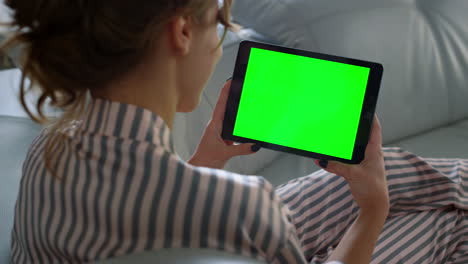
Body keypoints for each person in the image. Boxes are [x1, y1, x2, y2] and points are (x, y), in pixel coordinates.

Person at [2, 0, 467, 263]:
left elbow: (167, 214)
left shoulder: (50, 152)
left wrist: (208, 158)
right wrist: (373, 213)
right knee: (442, 224)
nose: (220, 44)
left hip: (219, 228)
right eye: (222, 23)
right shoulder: (242, 205)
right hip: (244, 232)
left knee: (365, 175)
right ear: (182, 32)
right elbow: (207, 212)